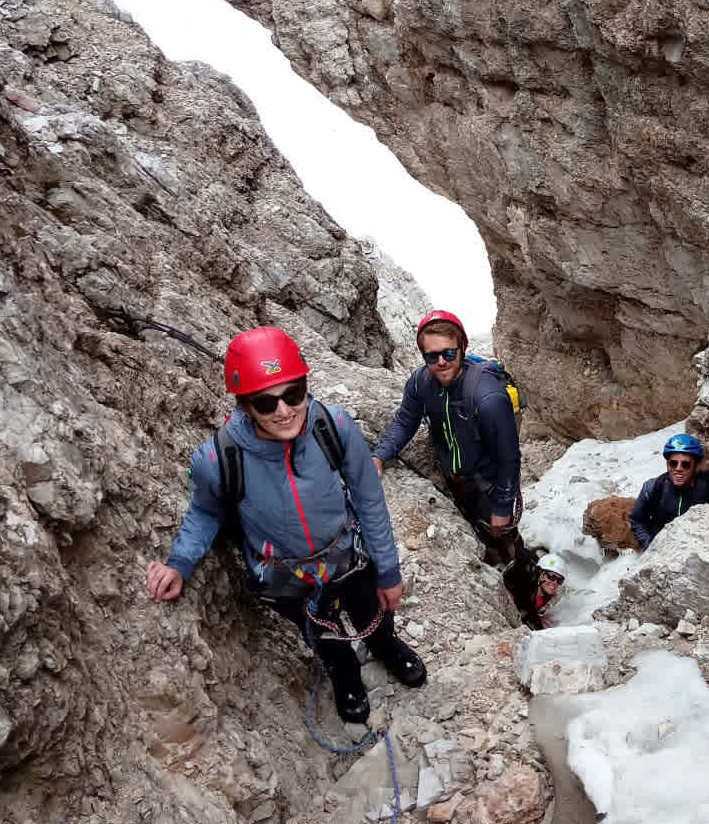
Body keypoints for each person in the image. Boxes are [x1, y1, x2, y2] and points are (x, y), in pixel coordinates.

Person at [144, 326, 425, 726]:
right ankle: (345, 672)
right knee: (321, 633)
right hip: (287, 575)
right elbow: (205, 513)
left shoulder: (335, 427)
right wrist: (180, 563)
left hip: (347, 555)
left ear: (306, 385)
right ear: (244, 406)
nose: (284, 410)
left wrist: (388, 570)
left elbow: (368, 499)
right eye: (265, 402)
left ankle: (385, 646)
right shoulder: (219, 459)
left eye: (293, 394)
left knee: (372, 610)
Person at [372, 310, 524, 566]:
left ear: (462, 347)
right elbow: (405, 421)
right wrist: (379, 455)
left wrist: (501, 507)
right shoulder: (421, 382)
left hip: (489, 483)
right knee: (480, 530)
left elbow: (509, 456)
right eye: (431, 356)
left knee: (504, 535)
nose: (441, 361)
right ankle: (495, 564)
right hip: (456, 478)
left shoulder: (488, 397)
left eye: (449, 353)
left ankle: (525, 578)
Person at [629, 433, 709, 550]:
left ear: (695, 466)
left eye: (686, 464)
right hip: (659, 552)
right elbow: (637, 520)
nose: (678, 469)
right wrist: (650, 547)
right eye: (673, 463)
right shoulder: (652, 488)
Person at [529, 553, 567, 630]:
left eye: (559, 580)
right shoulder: (525, 589)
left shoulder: (549, 598)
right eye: (552, 576)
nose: (555, 582)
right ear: (540, 574)